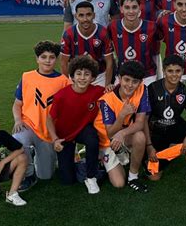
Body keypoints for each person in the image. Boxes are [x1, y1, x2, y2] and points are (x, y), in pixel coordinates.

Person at [12, 40, 69, 191]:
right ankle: (28, 174)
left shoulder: (63, 81)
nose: (47, 61)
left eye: (51, 57)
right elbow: (17, 104)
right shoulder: (27, 77)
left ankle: (38, 154)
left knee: (46, 176)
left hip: (49, 132)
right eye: (43, 57)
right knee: (18, 140)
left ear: (56, 59)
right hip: (29, 125)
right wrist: (18, 120)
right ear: (37, 59)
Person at [146, 54, 186, 184]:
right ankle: (169, 149)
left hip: (175, 127)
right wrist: (149, 146)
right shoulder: (152, 88)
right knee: (154, 176)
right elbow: (143, 120)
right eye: (170, 71)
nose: (174, 75)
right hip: (157, 133)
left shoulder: (184, 90)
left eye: (178, 71)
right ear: (163, 71)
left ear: (182, 72)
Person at [47, 56, 104, 194]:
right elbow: (49, 118)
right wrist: (55, 139)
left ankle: (91, 177)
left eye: (87, 74)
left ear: (93, 77)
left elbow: (115, 92)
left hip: (82, 130)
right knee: (68, 180)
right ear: (72, 76)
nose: (82, 78)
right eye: (78, 74)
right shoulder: (61, 95)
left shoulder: (97, 91)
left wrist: (112, 86)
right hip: (64, 135)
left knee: (92, 140)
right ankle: (80, 163)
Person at [93, 61, 150, 193]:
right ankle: (101, 159)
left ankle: (133, 177)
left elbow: (140, 122)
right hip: (106, 140)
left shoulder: (142, 89)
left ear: (140, 82)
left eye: (135, 81)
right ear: (119, 78)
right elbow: (110, 133)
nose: (130, 85)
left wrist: (122, 133)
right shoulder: (107, 99)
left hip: (122, 134)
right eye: (126, 80)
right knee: (118, 183)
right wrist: (122, 115)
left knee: (140, 136)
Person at [108, 0, 158, 85]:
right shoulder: (113, 26)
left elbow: (157, 50)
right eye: (127, 7)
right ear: (121, 9)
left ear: (140, 8)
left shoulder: (151, 27)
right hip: (122, 75)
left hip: (147, 76)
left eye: (134, 7)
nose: (131, 11)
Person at [61, 1, 114, 88]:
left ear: (94, 15)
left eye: (88, 15)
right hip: (77, 76)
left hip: (99, 76)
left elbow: (109, 62)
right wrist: (68, 83)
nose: (85, 19)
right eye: (81, 15)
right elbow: (63, 62)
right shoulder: (69, 34)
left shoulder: (103, 33)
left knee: (100, 101)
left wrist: (107, 84)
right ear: (76, 16)